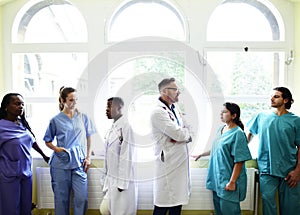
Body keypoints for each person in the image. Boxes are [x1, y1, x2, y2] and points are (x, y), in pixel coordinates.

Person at [247, 87, 300, 215]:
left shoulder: (295, 121)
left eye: (276, 96)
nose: (271, 99)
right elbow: (248, 135)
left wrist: (298, 170)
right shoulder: (261, 116)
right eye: (271, 96)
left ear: (286, 100)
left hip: (289, 170)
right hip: (267, 168)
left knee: (291, 206)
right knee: (267, 203)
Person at [43, 87, 96, 215]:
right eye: (71, 100)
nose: (74, 102)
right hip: (60, 164)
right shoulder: (55, 120)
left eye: (76, 99)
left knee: (81, 198)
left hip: (79, 163)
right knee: (61, 199)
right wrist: (56, 148)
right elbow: (47, 140)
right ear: (63, 100)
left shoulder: (83, 117)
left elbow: (89, 137)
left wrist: (88, 157)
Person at [195, 102, 252, 215]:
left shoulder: (238, 134)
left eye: (225, 111)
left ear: (234, 116)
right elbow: (217, 148)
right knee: (219, 211)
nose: (221, 113)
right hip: (217, 179)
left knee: (229, 211)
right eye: (221, 111)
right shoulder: (221, 129)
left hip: (228, 180)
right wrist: (202, 154)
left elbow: (239, 161)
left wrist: (232, 182)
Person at [0, 93, 49, 215]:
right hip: (9, 173)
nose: (21, 106)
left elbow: (32, 141)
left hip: (26, 172)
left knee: (26, 206)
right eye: (17, 104)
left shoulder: (22, 123)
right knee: (11, 208)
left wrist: (44, 155)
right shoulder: (1, 126)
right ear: (6, 106)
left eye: (22, 104)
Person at [150, 77, 192, 215]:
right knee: (162, 206)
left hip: (178, 164)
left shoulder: (174, 108)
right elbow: (179, 134)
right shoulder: (158, 112)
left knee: (176, 205)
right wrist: (181, 135)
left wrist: (183, 135)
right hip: (167, 165)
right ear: (164, 92)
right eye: (175, 89)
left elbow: (188, 129)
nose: (178, 92)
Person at [100, 97, 137, 215]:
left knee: (120, 211)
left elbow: (127, 156)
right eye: (106, 106)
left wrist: (122, 183)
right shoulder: (113, 128)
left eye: (109, 106)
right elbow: (108, 156)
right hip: (111, 179)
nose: (106, 110)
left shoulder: (126, 127)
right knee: (105, 210)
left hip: (121, 182)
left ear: (120, 108)